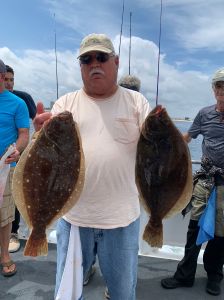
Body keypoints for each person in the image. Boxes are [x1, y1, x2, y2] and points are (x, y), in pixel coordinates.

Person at [33, 33, 151, 300]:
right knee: (68, 294)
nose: (94, 63)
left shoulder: (136, 102)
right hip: (74, 217)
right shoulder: (65, 104)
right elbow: (48, 162)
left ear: (116, 62)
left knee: (122, 294)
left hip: (122, 219)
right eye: (86, 59)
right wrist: (39, 136)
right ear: (80, 66)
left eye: (101, 57)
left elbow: (154, 149)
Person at [161, 67, 224, 296]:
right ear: (213, 89)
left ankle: (215, 276)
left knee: (220, 234)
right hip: (205, 179)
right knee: (194, 229)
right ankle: (185, 275)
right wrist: (165, 144)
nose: (222, 89)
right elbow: (187, 138)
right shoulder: (204, 114)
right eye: (219, 85)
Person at [0, 59, 29, 276]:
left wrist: (18, 150)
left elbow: (24, 134)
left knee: (5, 216)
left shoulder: (18, 103)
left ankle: (5, 256)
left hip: (5, 167)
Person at [4, 65, 36, 253]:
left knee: (15, 195)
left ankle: (13, 232)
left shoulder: (22, 98)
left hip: (19, 156)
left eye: (11, 79)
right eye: (5, 78)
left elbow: (37, 121)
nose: (8, 83)